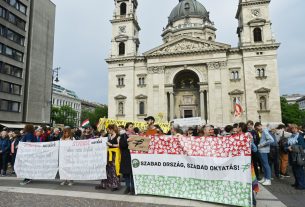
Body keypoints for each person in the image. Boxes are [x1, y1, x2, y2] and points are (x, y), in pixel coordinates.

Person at [96, 124, 120, 191]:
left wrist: (111, 144)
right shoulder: (109, 136)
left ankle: (115, 185)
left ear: (111, 129)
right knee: (107, 168)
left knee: (113, 169)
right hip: (108, 153)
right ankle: (105, 184)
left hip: (114, 154)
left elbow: (119, 145)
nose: (108, 131)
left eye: (108, 130)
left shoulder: (118, 136)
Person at [285, 124, 305, 190]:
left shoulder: (300, 137)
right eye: (292, 129)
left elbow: (302, 146)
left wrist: (293, 148)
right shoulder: (291, 136)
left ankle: (302, 185)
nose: (293, 130)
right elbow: (286, 145)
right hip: (292, 156)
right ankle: (297, 183)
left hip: (298, 156)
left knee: (299, 170)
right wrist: (287, 148)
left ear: (297, 129)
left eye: (294, 128)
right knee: (294, 170)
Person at [119, 122, 135, 195]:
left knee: (133, 173)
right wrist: (127, 140)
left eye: (132, 126)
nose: (132, 128)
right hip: (126, 157)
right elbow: (121, 145)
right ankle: (128, 187)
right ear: (126, 128)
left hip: (134, 157)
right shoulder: (123, 136)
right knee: (126, 173)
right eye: (131, 126)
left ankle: (133, 188)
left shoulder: (136, 136)